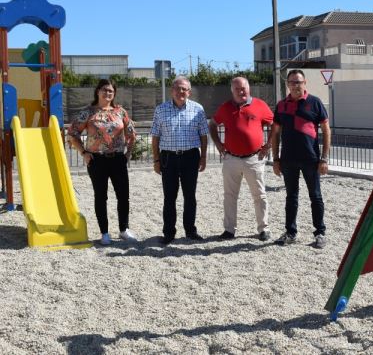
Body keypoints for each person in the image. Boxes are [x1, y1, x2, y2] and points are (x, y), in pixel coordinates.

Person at [67, 79, 137, 245]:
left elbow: (131, 134)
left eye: (111, 91)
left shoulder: (120, 112)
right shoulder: (88, 113)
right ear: (97, 91)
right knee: (100, 196)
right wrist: (83, 152)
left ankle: (124, 229)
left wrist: (128, 154)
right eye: (104, 90)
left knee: (123, 195)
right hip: (96, 160)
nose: (108, 93)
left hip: (118, 159)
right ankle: (104, 233)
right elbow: (72, 134)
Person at [209, 77, 274, 241]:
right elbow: (212, 124)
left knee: (259, 195)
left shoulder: (260, 105)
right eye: (237, 89)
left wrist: (269, 144)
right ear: (232, 90)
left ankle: (264, 229)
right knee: (230, 195)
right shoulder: (225, 107)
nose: (241, 91)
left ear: (249, 88)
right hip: (231, 159)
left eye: (243, 88)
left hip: (254, 158)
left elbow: (274, 124)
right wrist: (218, 143)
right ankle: (229, 230)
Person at [271, 69, 331, 248]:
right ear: (287, 84)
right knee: (291, 197)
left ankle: (320, 233)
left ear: (305, 83)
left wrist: (324, 158)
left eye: (299, 82)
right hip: (288, 160)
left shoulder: (315, 102)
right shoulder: (281, 105)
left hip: (311, 159)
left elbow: (326, 130)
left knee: (316, 196)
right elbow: (275, 134)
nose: (295, 85)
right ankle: (290, 232)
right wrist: (275, 159)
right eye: (292, 82)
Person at [151, 76, 208, 245]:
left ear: (189, 92)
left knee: (190, 196)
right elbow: (155, 137)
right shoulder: (161, 110)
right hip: (168, 157)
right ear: (172, 90)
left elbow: (203, 135)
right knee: (169, 197)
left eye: (184, 89)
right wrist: (156, 160)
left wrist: (203, 157)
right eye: (177, 88)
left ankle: (190, 231)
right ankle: (169, 233)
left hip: (190, 156)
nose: (181, 92)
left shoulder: (198, 109)